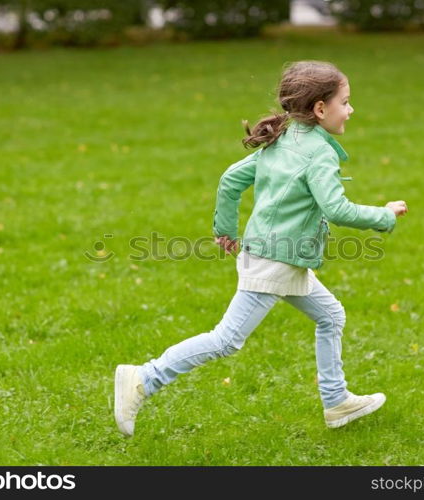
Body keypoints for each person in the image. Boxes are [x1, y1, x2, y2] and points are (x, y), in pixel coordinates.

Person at [114, 60, 408, 437]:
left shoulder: (285, 137)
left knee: (331, 316)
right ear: (320, 108)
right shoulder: (318, 152)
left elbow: (230, 180)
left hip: (276, 255)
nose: (350, 110)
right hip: (275, 260)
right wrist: (383, 215)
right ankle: (143, 378)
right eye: (345, 102)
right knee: (226, 339)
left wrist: (224, 229)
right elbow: (336, 208)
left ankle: (336, 401)